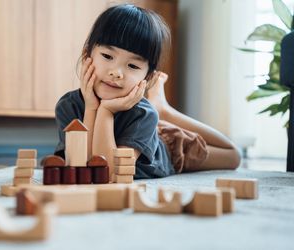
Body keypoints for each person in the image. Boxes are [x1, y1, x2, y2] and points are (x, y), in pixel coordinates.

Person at [54, 4, 241, 179]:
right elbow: (82, 167)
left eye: (133, 65)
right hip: (145, 130)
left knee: (233, 156)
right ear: (87, 55)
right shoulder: (67, 106)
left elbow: (109, 173)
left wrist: (106, 111)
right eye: (107, 56)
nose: (116, 72)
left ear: (148, 77)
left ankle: (163, 110)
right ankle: (161, 108)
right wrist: (92, 108)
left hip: (169, 148)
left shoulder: (144, 114)